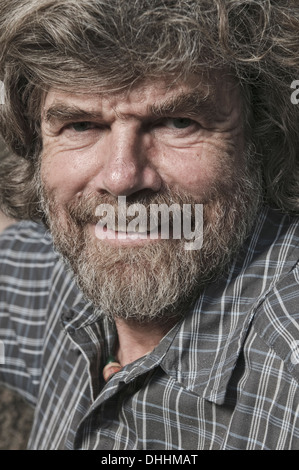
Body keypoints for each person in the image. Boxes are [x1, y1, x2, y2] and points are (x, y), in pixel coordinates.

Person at [0, 0, 298, 451]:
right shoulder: (69, 285)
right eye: (81, 125)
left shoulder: (287, 364)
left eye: (178, 122)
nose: (121, 178)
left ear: (263, 137)